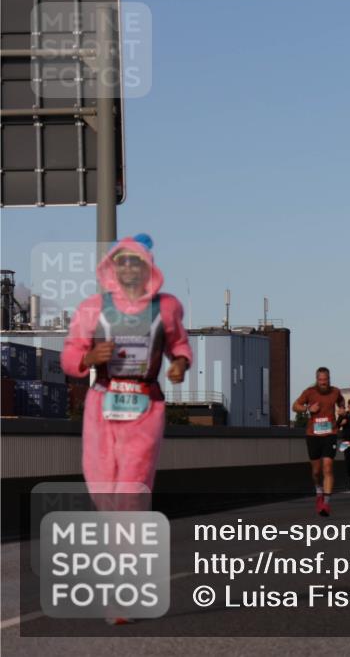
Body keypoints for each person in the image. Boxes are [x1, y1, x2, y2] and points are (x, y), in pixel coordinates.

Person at [60, 234, 191, 626]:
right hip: (102, 404)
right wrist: (87, 357)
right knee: (104, 498)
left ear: (148, 267)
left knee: (130, 496)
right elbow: (69, 354)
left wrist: (180, 365)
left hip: (144, 406)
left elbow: (180, 346)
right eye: (122, 262)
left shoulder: (165, 308)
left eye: (136, 262)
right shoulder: (91, 308)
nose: (129, 269)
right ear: (112, 267)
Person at [293, 367, 345, 517]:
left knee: (328, 467)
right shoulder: (309, 392)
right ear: (317, 379)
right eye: (320, 380)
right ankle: (318, 489)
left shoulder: (335, 391)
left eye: (325, 380)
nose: (323, 383)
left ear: (329, 379)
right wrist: (308, 408)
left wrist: (341, 409)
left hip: (330, 433)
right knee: (316, 471)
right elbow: (295, 406)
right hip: (313, 435)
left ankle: (326, 504)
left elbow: (341, 402)